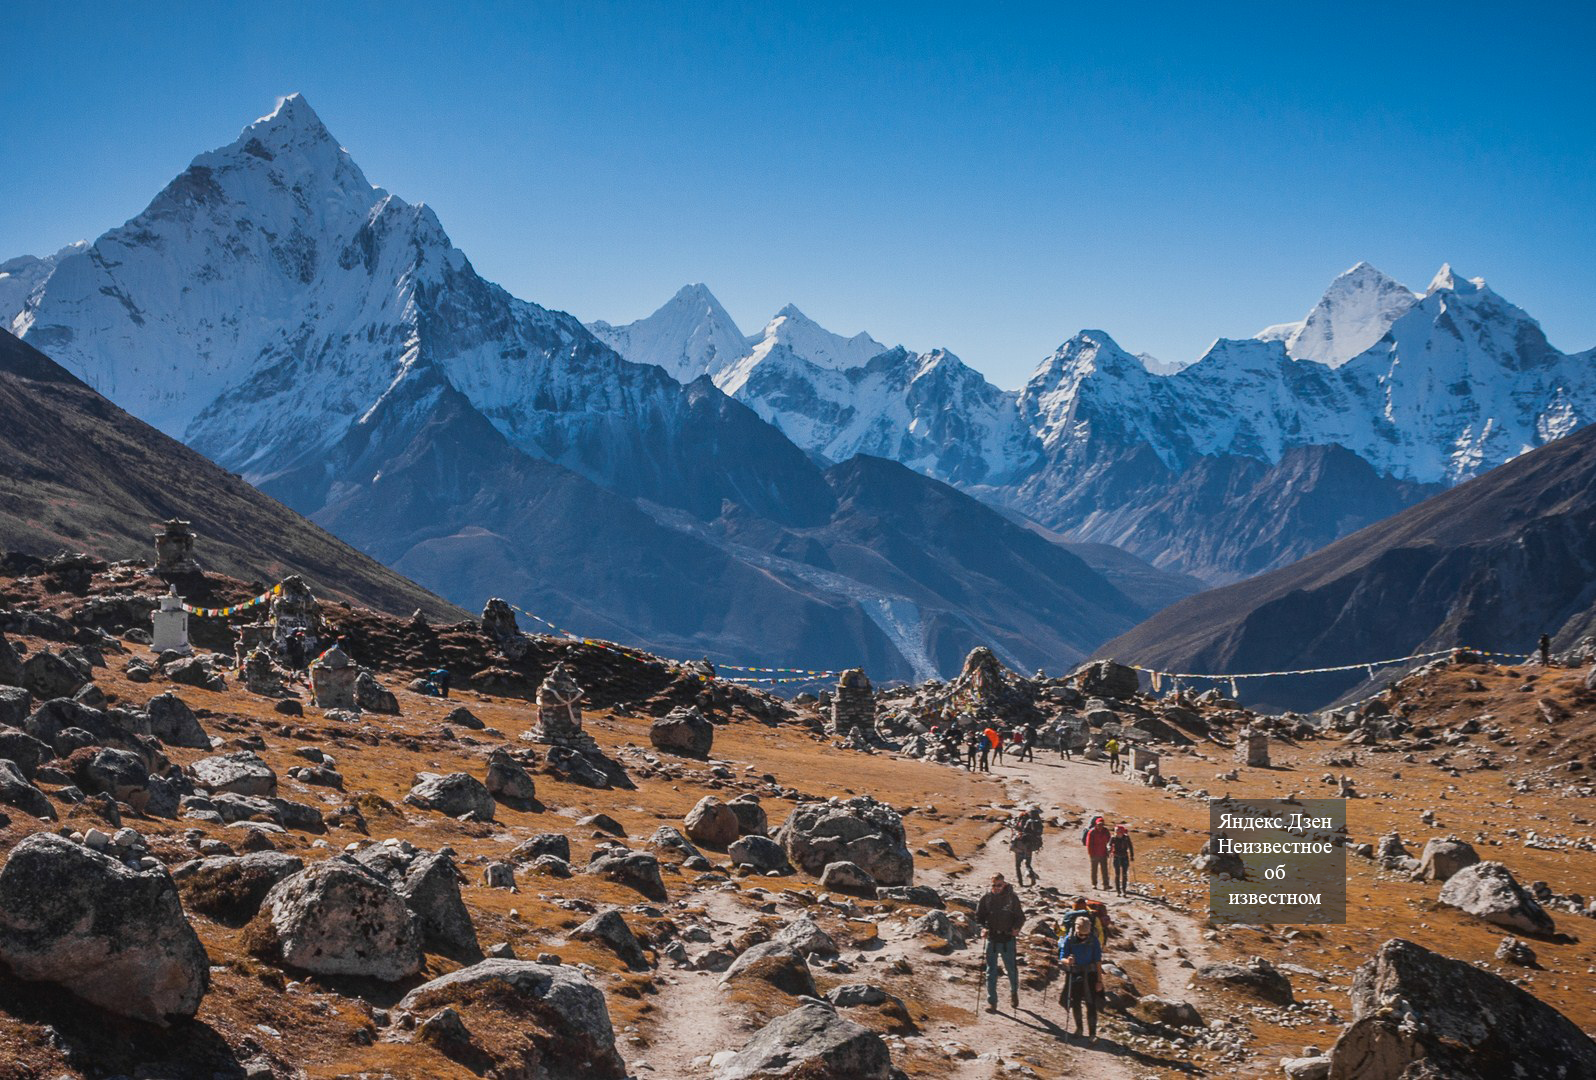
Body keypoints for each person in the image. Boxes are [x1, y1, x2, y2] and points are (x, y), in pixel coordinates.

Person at [974, 873, 1026, 1012]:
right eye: (994, 885)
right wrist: (983, 929)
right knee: (991, 971)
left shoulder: (1012, 898)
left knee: (1011, 969)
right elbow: (979, 917)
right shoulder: (986, 898)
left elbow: (1020, 917)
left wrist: (1016, 928)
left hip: (1008, 939)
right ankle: (992, 1002)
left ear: (1004, 884)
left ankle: (1014, 992)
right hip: (992, 938)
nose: (996, 888)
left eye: (999, 885)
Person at [1057, 914, 1102, 1041]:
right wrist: (1068, 961)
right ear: (1076, 930)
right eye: (1081, 934)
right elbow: (1062, 957)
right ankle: (1079, 1029)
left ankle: (1092, 1033)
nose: (1083, 937)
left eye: (1086, 934)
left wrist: (1099, 981)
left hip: (1091, 974)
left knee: (1091, 1003)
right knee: (1075, 1001)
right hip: (1075, 972)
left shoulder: (1094, 940)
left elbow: (1098, 961)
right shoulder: (1069, 939)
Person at [1010, 806, 1044, 885]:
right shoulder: (1036, 821)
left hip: (1019, 844)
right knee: (1028, 864)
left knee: (1017, 865)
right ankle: (1032, 878)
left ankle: (1020, 883)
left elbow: (1016, 827)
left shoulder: (1021, 819)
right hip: (1029, 845)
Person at [1082, 816, 1112, 890]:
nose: (1100, 826)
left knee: (1104, 870)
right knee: (1094, 870)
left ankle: (1106, 884)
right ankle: (1094, 884)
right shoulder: (1091, 832)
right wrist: (1091, 853)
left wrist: (1110, 849)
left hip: (1103, 853)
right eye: (1099, 824)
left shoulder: (1106, 831)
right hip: (1094, 854)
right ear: (1096, 824)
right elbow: (1089, 844)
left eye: (1101, 824)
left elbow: (1110, 841)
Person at [1110, 824, 1135, 896]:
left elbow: (1130, 846)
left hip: (1124, 857)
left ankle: (1124, 890)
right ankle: (1118, 891)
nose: (1118, 833)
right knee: (1117, 874)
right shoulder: (1113, 838)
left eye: (1119, 831)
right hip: (1116, 857)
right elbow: (1109, 844)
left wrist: (1132, 856)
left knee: (1124, 874)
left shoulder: (1126, 838)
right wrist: (1109, 850)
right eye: (1117, 831)